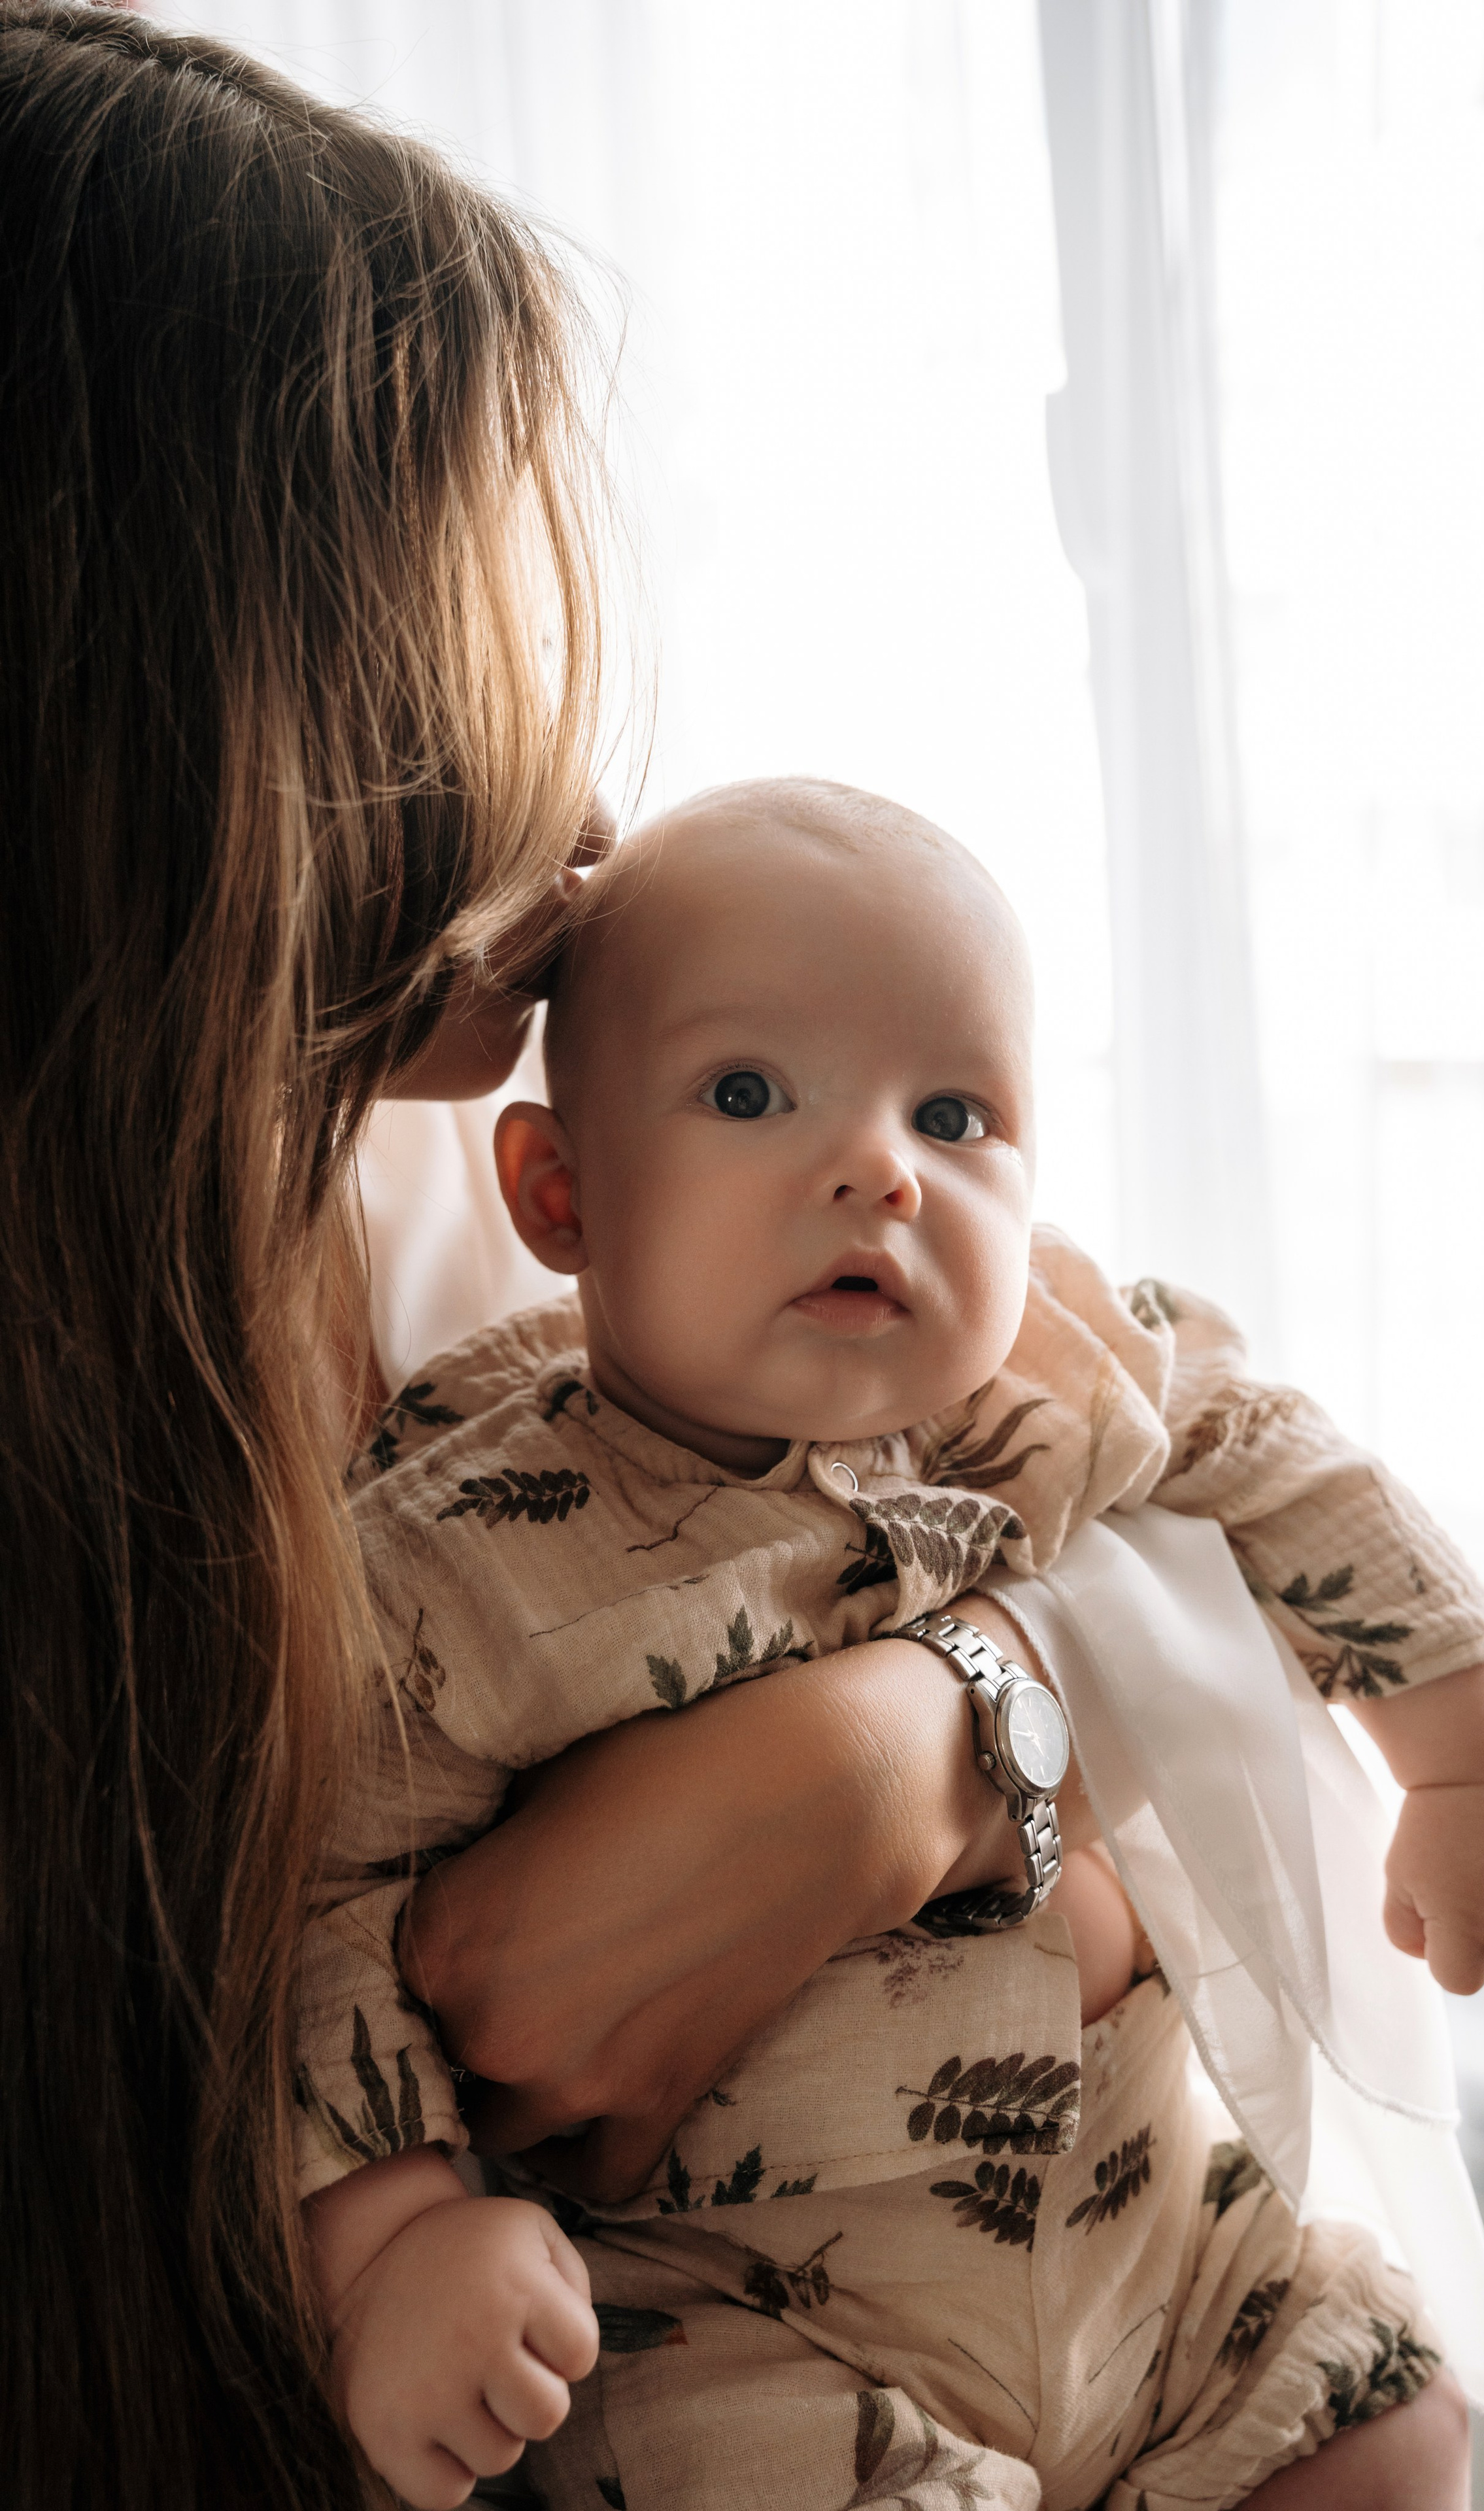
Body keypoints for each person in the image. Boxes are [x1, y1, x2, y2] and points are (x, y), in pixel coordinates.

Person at [0, 17, 1053, 2508]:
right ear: (175, 705)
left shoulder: (548, 1186)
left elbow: (1189, 1602)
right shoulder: (446, 1198)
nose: (585, 811)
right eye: (454, 642)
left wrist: (925, 1751)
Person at [301, 782, 1484, 2509]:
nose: (879, 1169)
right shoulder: (453, 1554)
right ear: (561, 1194)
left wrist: (1483, 1770)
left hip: (1158, 2243)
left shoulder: (1051, 1364)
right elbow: (325, 1912)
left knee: (1393, 2408)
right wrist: (394, 2242)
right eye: (747, 1094)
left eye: (954, 1113)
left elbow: (1287, 1461)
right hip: (754, 2328)